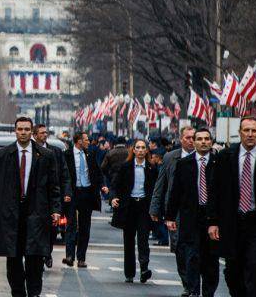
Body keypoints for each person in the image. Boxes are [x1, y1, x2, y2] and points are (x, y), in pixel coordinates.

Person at [0, 117, 61, 297]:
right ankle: (18, 292)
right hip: (11, 214)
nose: (23, 133)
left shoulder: (45, 155)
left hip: (37, 213)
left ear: (31, 131)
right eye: (20, 129)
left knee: (35, 258)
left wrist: (56, 210)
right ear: (15, 131)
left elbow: (54, 186)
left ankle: (34, 293)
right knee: (13, 259)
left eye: (27, 129)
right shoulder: (3, 155)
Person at [207, 115, 256, 297]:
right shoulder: (225, 156)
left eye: (254, 130)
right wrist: (213, 221)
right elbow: (214, 190)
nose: (250, 134)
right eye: (247, 130)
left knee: (255, 267)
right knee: (233, 271)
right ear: (240, 133)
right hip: (232, 221)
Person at [165, 127, 218, 297]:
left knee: (210, 259)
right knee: (192, 256)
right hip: (190, 217)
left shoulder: (219, 163)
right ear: (194, 142)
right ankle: (193, 290)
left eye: (207, 139)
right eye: (200, 139)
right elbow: (175, 192)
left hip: (212, 218)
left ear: (211, 142)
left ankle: (208, 292)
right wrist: (170, 216)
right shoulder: (183, 164)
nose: (203, 142)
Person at [151, 124, 196, 293]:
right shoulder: (170, 158)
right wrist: (155, 208)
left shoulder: (208, 157)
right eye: (188, 138)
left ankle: (194, 284)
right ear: (181, 139)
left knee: (195, 250)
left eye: (194, 137)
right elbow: (160, 184)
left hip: (197, 212)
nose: (191, 141)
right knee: (179, 247)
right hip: (176, 212)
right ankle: (187, 283)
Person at [110, 139, 157, 283]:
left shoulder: (151, 168)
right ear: (133, 150)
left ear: (147, 151)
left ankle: (144, 268)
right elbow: (115, 185)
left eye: (143, 147)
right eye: (138, 148)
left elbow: (157, 188)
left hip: (144, 206)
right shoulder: (126, 167)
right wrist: (113, 198)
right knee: (129, 241)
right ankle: (129, 273)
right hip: (129, 207)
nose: (141, 150)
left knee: (143, 239)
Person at [62, 131, 106, 268]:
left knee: (85, 227)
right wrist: (65, 192)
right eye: (86, 140)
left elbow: (98, 173)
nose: (88, 142)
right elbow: (63, 176)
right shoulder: (67, 155)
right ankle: (69, 256)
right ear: (79, 141)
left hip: (87, 194)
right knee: (71, 225)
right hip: (72, 193)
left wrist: (103, 186)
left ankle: (81, 258)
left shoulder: (90, 154)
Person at [32, 124, 68, 268]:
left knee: (52, 229)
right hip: (36, 198)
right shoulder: (31, 151)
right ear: (35, 135)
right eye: (41, 133)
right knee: (36, 228)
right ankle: (38, 255)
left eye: (46, 133)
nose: (44, 135)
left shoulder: (56, 151)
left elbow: (64, 174)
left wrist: (66, 193)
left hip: (52, 197)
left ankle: (47, 252)